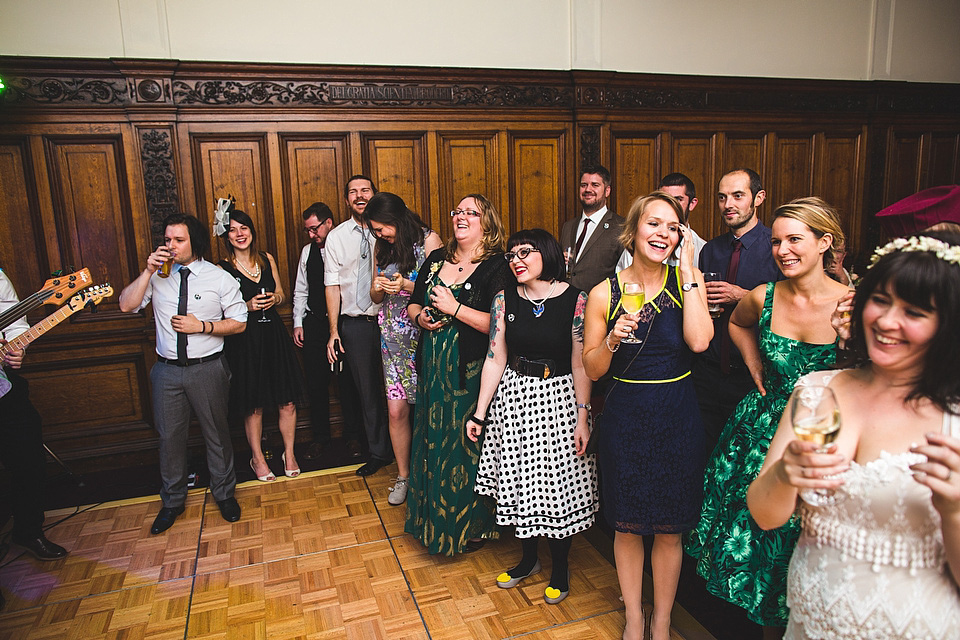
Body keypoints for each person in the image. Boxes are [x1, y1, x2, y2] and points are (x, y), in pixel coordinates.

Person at [747, 230, 960, 639]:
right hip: (812, 619)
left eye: (914, 312)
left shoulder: (952, 417)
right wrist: (784, 474)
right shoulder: (816, 390)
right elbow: (764, 514)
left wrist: (952, 509)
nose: (885, 320)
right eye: (880, 300)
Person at [685, 198, 849, 637]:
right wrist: (755, 363)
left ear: (824, 243)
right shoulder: (765, 296)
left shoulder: (853, 305)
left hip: (822, 441)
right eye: (776, 241)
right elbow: (736, 325)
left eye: (795, 239)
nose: (783, 250)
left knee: (807, 557)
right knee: (758, 554)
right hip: (758, 434)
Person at [582, 192, 712, 640]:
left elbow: (699, 342)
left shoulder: (685, 281)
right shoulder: (606, 292)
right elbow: (594, 368)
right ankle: (635, 618)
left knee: (671, 529)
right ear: (633, 231)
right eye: (654, 224)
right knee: (629, 524)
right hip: (626, 417)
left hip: (677, 415)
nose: (663, 234)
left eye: (673, 227)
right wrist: (613, 338)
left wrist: (691, 273)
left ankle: (662, 620)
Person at [467, 229, 599, 605]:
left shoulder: (576, 299)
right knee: (520, 481)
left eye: (526, 252)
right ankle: (528, 560)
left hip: (559, 399)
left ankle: (560, 568)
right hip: (514, 397)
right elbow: (496, 356)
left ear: (548, 254)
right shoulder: (504, 298)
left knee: (558, 488)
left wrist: (582, 415)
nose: (517, 260)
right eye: (511, 255)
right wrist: (480, 413)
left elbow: (579, 361)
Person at [118, 213, 247, 534]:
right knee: (170, 439)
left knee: (216, 435)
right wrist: (147, 271)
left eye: (179, 240)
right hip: (167, 372)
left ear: (195, 243)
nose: (171, 246)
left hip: (208, 369)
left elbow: (240, 322)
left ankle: (225, 494)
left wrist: (201, 326)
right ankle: (173, 501)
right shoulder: (158, 276)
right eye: (167, 240)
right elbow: (126, 305)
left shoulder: (218, 278)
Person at [405, 193, 511, 556]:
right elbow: (413, 303)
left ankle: (471, 528)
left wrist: (456, 308)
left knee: (466, 447)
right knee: (432, 439)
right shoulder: (436, 258)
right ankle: (430, 520)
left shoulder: (497, 265)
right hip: (433, 366)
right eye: (457, 211)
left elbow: (500, 326)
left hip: (470, 371)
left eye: (471, 212)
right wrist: (420, 317)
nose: (461, 217)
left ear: (487, 222)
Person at [694, 168, 782, 454]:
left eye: (737, 196)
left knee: (744, 463)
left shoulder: (777, 249)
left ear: (759, 198)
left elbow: (793, 307)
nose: (728, 204)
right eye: (722, 197)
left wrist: (745, 297)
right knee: (706, 458)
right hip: (707, 376)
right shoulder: (711, 250)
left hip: (753, 377)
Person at [364, 192, 442, 505]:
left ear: (397, 218)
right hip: (391, 336)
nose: (379, 234)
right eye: (375, 230)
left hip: (423, 333)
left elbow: (439, 289)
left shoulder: (429, 240)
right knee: (396, 410)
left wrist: (407, 286)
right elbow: (374, 296)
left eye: (382, 228)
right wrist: (378, 287)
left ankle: (429, 475)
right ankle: (404, 477)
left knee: (426, 408)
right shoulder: (380, 246)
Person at [217, 207, 305, 480]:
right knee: (252, 404)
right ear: (226, 236)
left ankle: (288, 454)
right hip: (244, 339)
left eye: (243, 228)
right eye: (232, 230)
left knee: (287, 400)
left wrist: (273, 300)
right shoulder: (222, 268)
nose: (239, 234)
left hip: (274, 335)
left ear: (251, 231)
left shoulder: (266, 259)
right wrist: (247, 305)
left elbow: (280, 294)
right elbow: (219, 311)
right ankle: (257, 458)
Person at [0, 269, 70, 569]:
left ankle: (28, 531)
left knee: (29, 460)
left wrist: (16, 348)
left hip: (3, 390)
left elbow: (13, 319)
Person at [324, 175, 391, 476]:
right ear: (346, 200)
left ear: (375, 194)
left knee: (402, 388)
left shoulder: (390, 232)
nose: (359, 196)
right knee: (368, 392)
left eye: (365, 190)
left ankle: (413, 448)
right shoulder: (336, 237)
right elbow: (332, 286)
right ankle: (379, 452)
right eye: (353, 192)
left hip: (394, 320)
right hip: (356, 324)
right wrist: (334, 331)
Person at [292, 202, 360, 461]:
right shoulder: (307, 252)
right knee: (316, 383)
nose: (311, 235)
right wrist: (298, 322)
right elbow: (301, 290)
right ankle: (320, 438)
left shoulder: (346, 247)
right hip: (314, 326)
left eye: (314, 229)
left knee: (348, 383)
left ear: (328, 223)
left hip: (343, 323)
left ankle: (354, 436)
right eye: (308, 231)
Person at [617, 172, 707, 270]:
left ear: (692, 204)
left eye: (678, 199)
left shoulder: (702, 249)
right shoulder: (640, 245)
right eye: (664, 199)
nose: (670, 204)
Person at [560, 165, 625, 293]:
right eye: (584, 185)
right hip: (567, 304)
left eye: (595, 185)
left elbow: (626, 272)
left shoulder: (622, 226)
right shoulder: (568, 226)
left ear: (607, 191)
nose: (588, 189)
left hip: (600, 306)